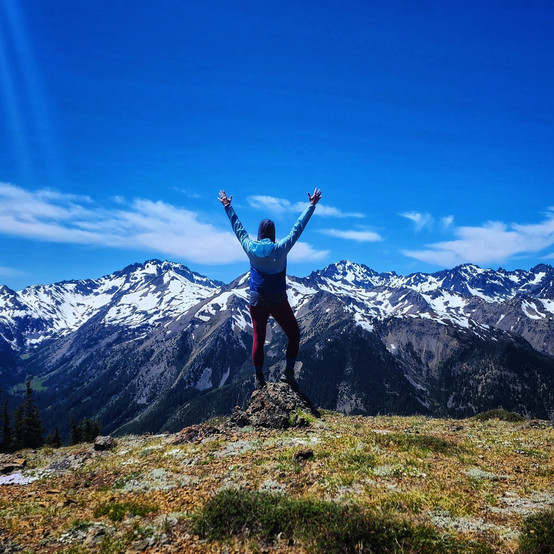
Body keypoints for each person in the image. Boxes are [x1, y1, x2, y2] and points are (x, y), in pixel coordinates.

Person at [218, 188, 322, 390]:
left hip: (256, 299)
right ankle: (288, 374)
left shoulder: (250, 247)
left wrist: (228, 207)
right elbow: (297, 228)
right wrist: (311, 206)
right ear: (273, 234)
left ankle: (259, 379)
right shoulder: (281, 247)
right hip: (277, 298)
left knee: (258, 337)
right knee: (293, 334)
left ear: (259, 234)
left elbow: (237, 228)